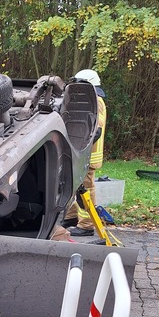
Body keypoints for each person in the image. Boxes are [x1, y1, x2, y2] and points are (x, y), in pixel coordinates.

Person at [63, 68, 107, 237]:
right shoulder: (91, 99)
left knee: (86, 190)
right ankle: (72, 217)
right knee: (74, 187)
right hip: (81, 154)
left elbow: (95, 129)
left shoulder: (96, 101)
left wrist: (80, 149)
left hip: (87, 155)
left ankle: (87, 225)